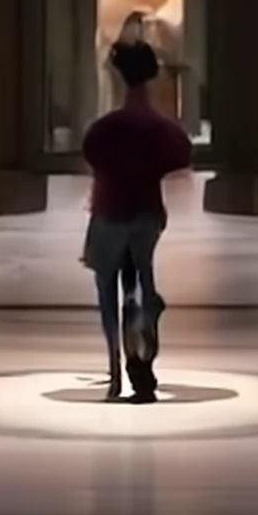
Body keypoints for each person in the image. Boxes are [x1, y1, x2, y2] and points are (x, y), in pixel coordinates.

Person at [81, 39, 191, 403]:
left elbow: (96, 155)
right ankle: (141, 357)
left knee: (107, 289)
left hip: (111, 210)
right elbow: (178, 152)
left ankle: (115, 369)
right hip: (147, 210)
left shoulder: (104, 131)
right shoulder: (162, 130)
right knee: (142, 276)